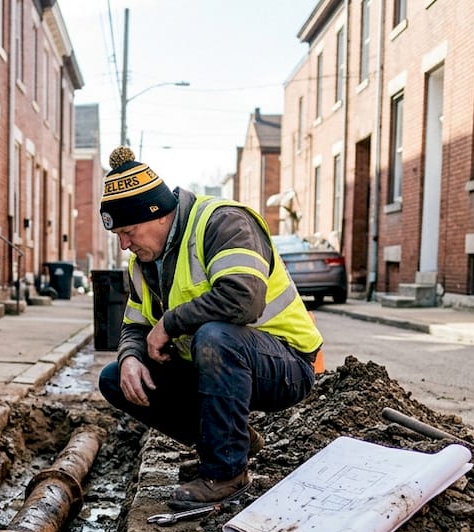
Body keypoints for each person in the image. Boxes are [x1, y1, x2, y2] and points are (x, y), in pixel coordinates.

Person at [96, 146, 322, 511]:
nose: (125, 244)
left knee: (215, 336)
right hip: (215, 360)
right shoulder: (143, 263)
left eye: (128, 231)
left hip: (284, 364)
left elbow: (242, 299)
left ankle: (226, 474)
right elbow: (134, 325)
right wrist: (130, 358)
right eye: (118, 236)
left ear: (157, 214)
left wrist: (169, 323)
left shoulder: (222, 222)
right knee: (114, 378)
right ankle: (230, 440)